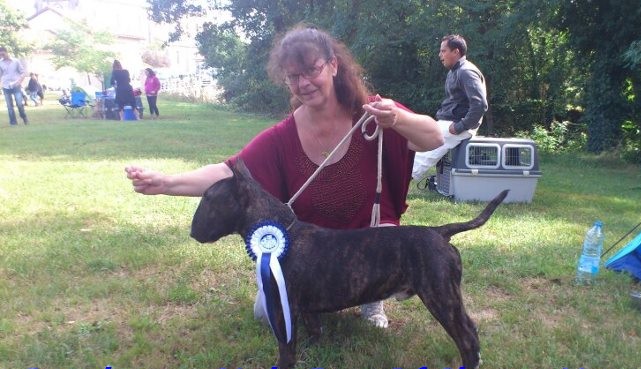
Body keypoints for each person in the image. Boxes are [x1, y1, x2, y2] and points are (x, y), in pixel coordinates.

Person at [126, 25, 442, 328]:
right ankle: (322, 295)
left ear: (333, 65)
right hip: (315, 252)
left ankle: (371, 297)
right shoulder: (282, 137)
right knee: (266, 313)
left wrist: (397, 119)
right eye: (293, 76)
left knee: (383, 243)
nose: (304, 83)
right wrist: (165, 183)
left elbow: (433, 137)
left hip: (367, 241)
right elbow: (229, 172)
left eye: (312, 70)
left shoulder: (372, 113)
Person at [412, 34, 488, 180]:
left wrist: (460, 126)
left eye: (443, 51)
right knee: (416, 140)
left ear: (456, 52)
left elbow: (480, 104)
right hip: (447, 123)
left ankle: (397, 180)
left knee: (420, 156)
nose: (440, 55)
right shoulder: (454, 72)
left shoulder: (467, 72)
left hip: (458, 126)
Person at [0, 46, 29, 125]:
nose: (2, 56)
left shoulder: (16, 61)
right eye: (0, 55)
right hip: (6, 86)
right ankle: (13, 122)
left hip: (16, 85)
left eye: (3, 54)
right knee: (9, 106)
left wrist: (19, 81)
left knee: (19, 104)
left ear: (7, 52)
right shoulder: (0, 63)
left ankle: (24, 117)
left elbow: (23, 72)